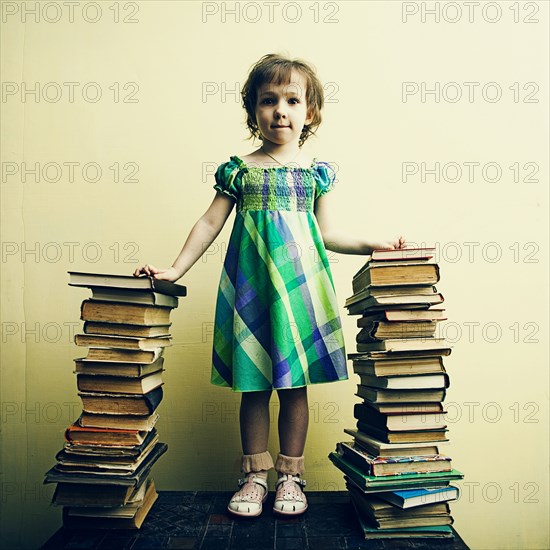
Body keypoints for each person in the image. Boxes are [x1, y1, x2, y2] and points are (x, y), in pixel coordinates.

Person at [133, 53, 406, 518]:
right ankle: (254, 475)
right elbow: (209, 223)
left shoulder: (314, 174)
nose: (280, 109)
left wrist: (374, 244)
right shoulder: (239, 170)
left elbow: (329, 235)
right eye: (268, 100)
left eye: (292, 100)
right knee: (254, 386)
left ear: (309, 113)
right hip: (251, 292)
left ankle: (291, 477)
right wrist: (176, 268)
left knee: (295, 387)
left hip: (299, 293)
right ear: (253, 112)